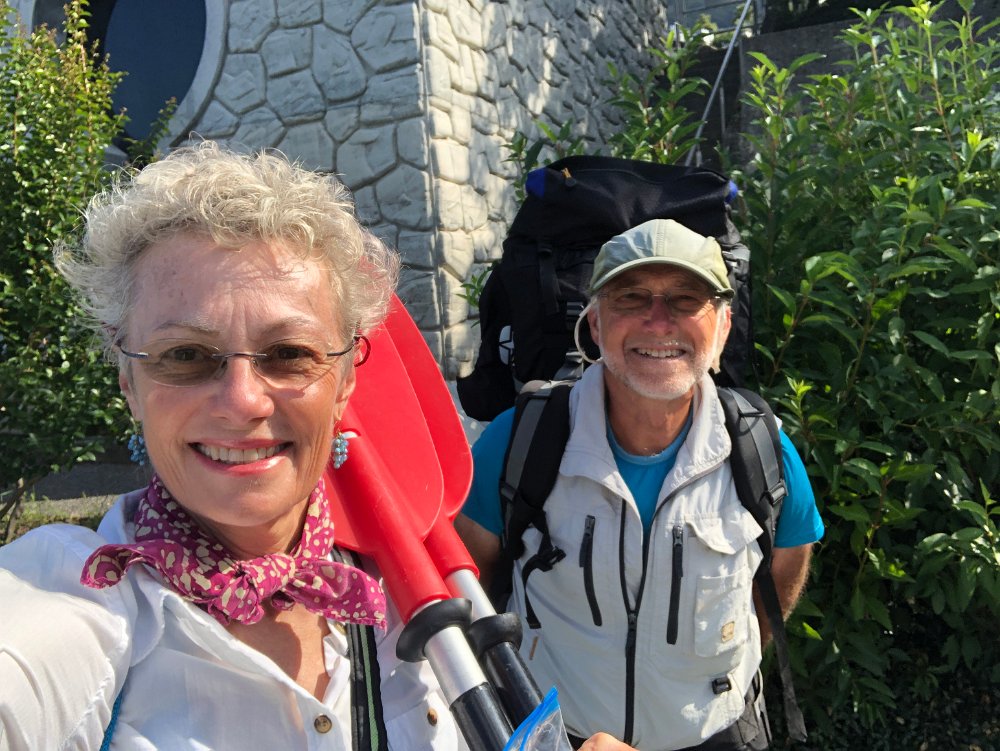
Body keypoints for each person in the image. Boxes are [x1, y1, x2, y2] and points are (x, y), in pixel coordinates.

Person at [0, 142, 634, 751]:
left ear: (346, 381)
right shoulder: (69, 599)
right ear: (129, 384)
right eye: (185, 355)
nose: (243, 400)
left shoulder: (404, 592)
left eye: (288, 353)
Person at [456, 218, 825, 750]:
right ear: (595, 324)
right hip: (563, 737)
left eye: (686, 299)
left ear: (723, 326)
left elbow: (782, 573)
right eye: (630, 297)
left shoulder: (763, 449)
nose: (658, 321)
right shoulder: (519, 440)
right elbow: (470, 587)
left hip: (718, 735)